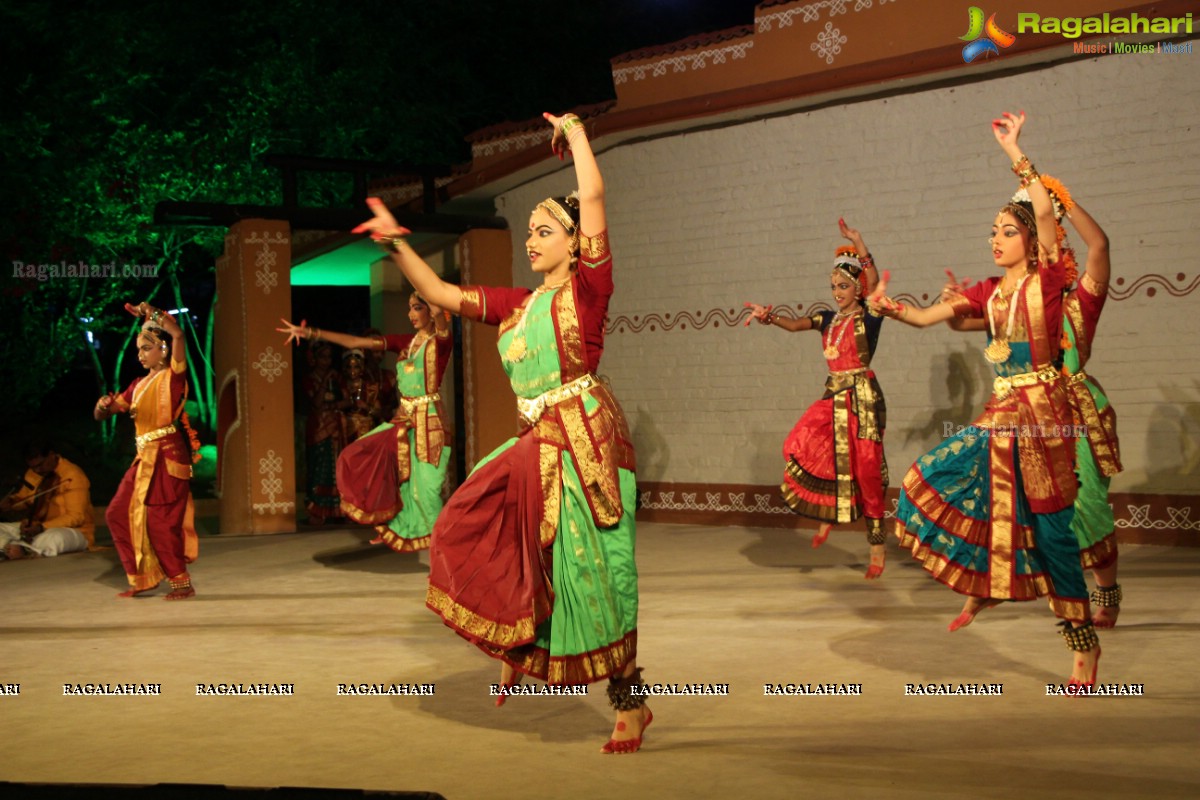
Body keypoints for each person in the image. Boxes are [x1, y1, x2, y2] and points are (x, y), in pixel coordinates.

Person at [353, 110, 647, 753]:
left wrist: (573, 133)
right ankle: (516, 632)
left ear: (575, 244)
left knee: (598, 573)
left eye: (545, 232)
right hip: (535, 441)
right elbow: (437, 289)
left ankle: (630, 700)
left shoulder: (590, 291)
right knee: (467, 521)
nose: (532, 242)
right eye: (531, 232)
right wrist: (394, 240)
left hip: (588, 447)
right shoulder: (519, 305)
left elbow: (593, 194)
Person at [868, 112, 1100, 691]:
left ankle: (1081, 643)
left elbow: (1045, 211)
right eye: (992, 231)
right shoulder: (989, 294)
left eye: (1006, 231)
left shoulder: (1046, 281)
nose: (995, 239)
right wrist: (888, 306)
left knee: (1052, 533)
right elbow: (926, 318)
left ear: (1030, 241)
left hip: (1045, 419)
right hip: (1001, 415)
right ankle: (989, 586)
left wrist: (1016, 152)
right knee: (939, 478)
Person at [943, 181, 1124, 628]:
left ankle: (1107, 593)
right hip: (1026, 414)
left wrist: (1065, 203)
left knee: (1089, 508)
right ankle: (1006, 583)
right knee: (1017, 499)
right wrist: (952, 304)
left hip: (1076, 415)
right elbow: (964, 324)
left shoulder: (1081, 301)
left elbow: (1099, 243)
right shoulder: (1018, 300)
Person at [745, 220, 887, 578]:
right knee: (806, 445)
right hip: (833, 394)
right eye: (833, 286)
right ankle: (829, 514)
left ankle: (876, 544)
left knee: (865, 468)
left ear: (857, 288)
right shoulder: (827, 319)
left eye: (843, 286)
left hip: (863, 399)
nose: (837, 292)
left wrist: (858, 241)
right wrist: (769, 318)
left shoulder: (869, 317)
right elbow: (795, 326)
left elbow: (873, 285)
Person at [278, 293, 451, 552]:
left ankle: (445, 547)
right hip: (403, 421)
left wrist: (424, 285)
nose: (411, 314)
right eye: (409, 309)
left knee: (427, 491)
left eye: (417, 308)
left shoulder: (441, 342)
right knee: (362, 456)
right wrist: (313, 333)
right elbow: (356, 341)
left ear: (431, 310)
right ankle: (397, 527)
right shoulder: (405, 343)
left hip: (431, 425)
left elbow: (440, 316)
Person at [95, 302, 198, 599]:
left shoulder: (173, 377)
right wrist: (101, 407)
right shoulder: (137, 385)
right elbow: (107, 412)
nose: (140, 355)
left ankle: (181, 582)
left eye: (146, 348)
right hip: (144, 459)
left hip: (167, 457)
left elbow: (178, 334)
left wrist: (151, 313)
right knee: (116, 513)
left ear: (162, 350)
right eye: (139, 350)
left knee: (161, 522)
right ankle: (141, 577)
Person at [0, 441, 95, 559]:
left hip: (73, 531)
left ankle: (20, 549)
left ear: (51, 455)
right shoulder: (33, 473)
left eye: (40, 465)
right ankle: (15, 548)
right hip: (35, 528)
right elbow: (25, 499)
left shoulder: (72, 475)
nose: (37, 470)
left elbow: (76, 517)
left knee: (54, 538)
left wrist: (42, 527)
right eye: (32, 467)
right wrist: (11, 502)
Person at [300, 340, 344, 524]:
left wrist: (330, 406)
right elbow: (316, 403)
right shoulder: (309, 380)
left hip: (334, 428)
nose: (326, 361)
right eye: (323, 357)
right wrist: (325, 381)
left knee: (335, 470)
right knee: (318, 469)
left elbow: (348, 401)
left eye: (329, 357)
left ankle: (335, 511)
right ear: (315, 359)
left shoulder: (337, 378)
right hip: (318, 429)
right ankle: (316, 512)